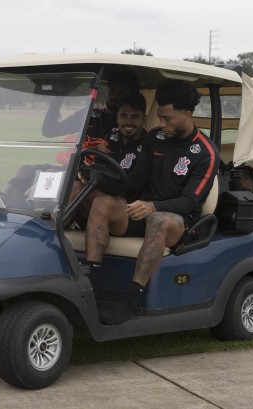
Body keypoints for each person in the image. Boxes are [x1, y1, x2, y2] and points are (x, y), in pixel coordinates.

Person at [83, 79, 220, 325]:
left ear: (187, 114)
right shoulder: (155, 138)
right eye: (160, 117)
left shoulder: (205, 152)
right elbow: (135, 181)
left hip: (179, 222)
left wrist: (154, 206)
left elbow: (189, 202)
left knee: (157, 220)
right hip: (143, 209)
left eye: (168, 119)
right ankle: (90, 288)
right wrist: (100, 180)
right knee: (102, 203)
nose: (162, 124)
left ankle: (130, 300)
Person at [2, 69, 140, 208]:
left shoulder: (130, 128)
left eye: (120, 92)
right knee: (26, 169)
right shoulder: (91, 115)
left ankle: (17, 210)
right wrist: (60, 95)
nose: (113, 97)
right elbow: (50, 130)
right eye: (111, 92)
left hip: (95, 178)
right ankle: (2, 204)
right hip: (74, 169)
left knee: (52, 176)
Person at [66, 92, 148, 230]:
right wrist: (84, 172)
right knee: (72, 185)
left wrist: (103, 181)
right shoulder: (110, 138)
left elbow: (137, 183)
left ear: (143, 119)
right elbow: (95, 165)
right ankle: (56, 228)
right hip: (103, 194)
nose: (128, 122)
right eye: (124, 116)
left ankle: (54, 230)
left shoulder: (148, 144)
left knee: (88, 195)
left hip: (128, 204)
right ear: (117, 118)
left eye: (134, 117)